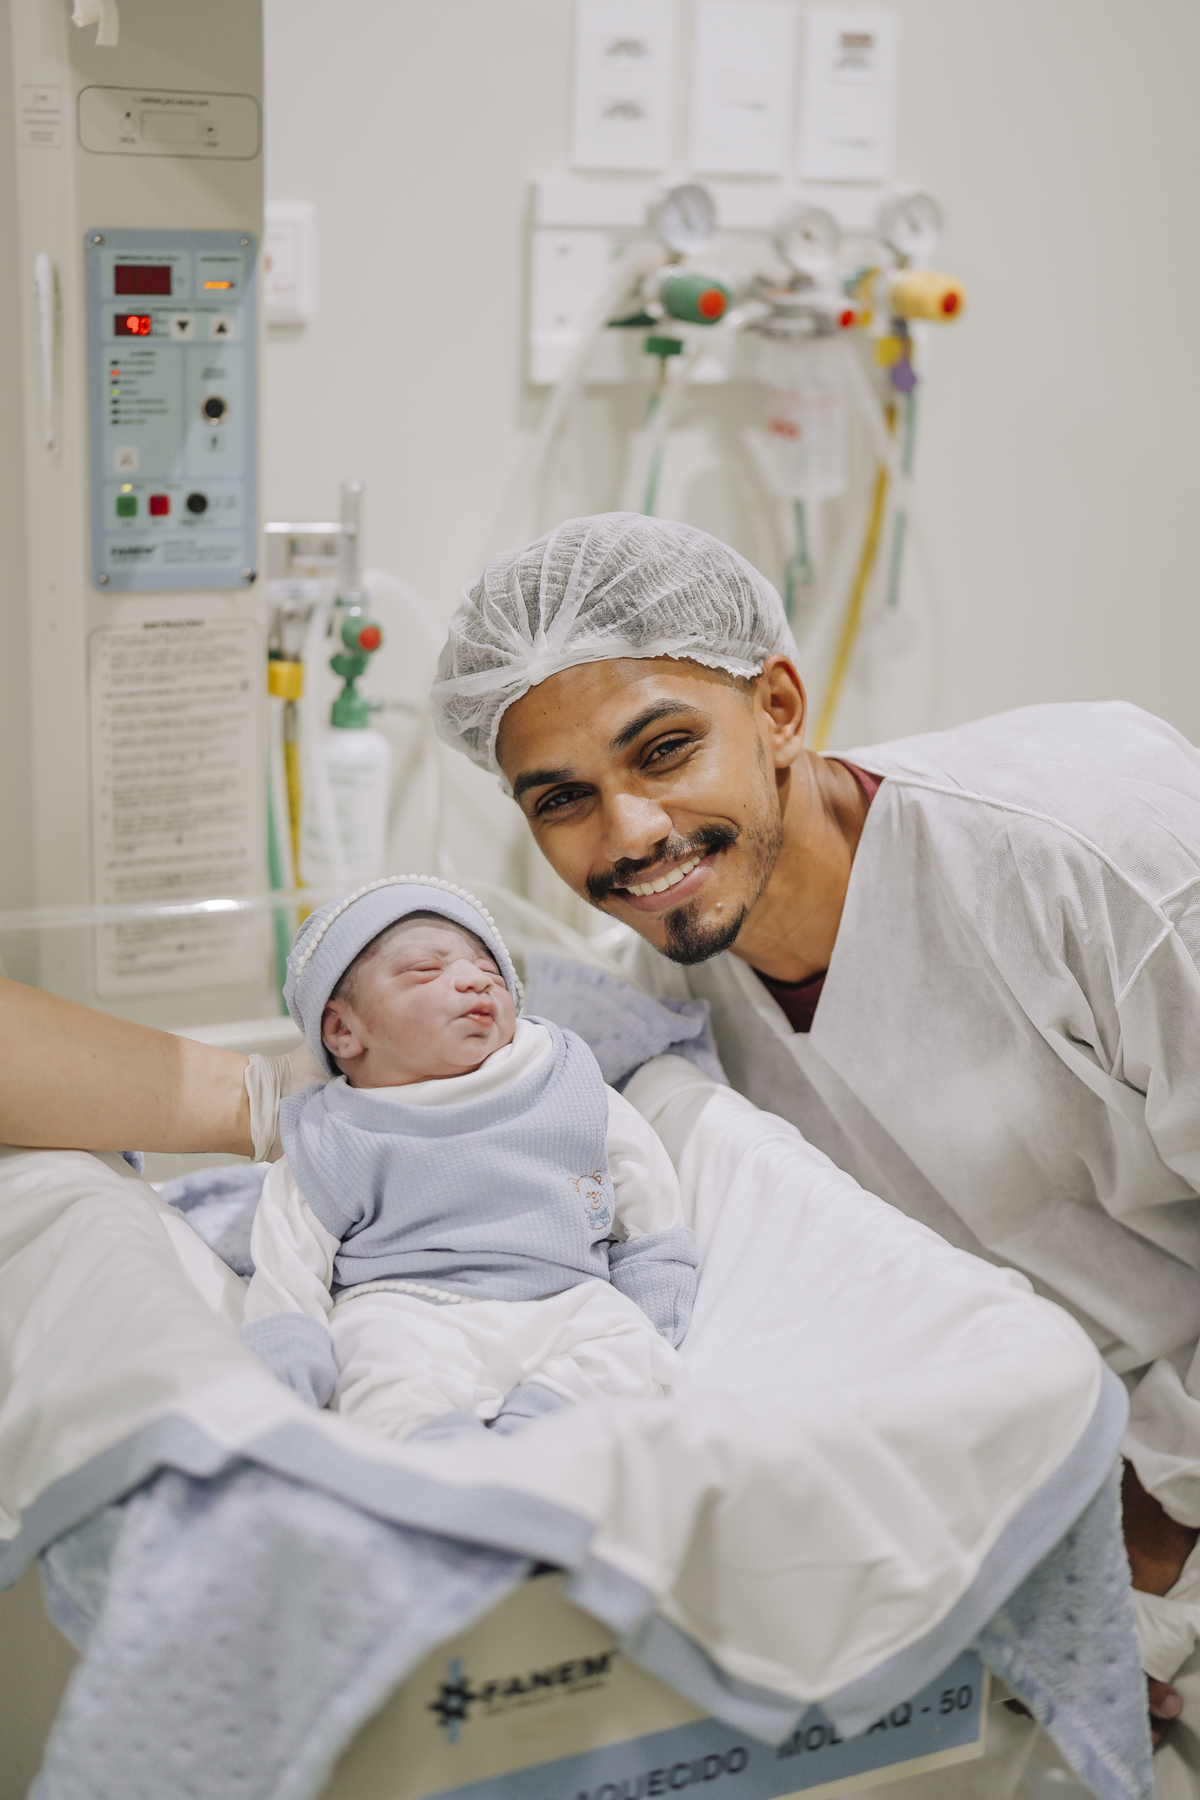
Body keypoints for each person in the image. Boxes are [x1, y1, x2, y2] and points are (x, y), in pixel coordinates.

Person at [429, 510, 1200, 1764]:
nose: (629, 834)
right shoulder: (671, 1007)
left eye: (665, 749)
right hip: (1045, 1482)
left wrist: (1156, 1520)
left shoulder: (1099, 855)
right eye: (562, 798)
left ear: (779, 707)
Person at [241, 878, 695, 1441]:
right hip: (409, 1305)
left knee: (625, 1345)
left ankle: (542, 1426)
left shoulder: (556, 1072)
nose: (475, 979)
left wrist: (655, 1267)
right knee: (381, 1365)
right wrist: (288, 1350)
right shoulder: (334, 1130)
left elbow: (639, 1168)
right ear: (343, 1029)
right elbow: (288, 1255)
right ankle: (437, 1448)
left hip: (565, 1294)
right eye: (425, 970)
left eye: (490, 971)